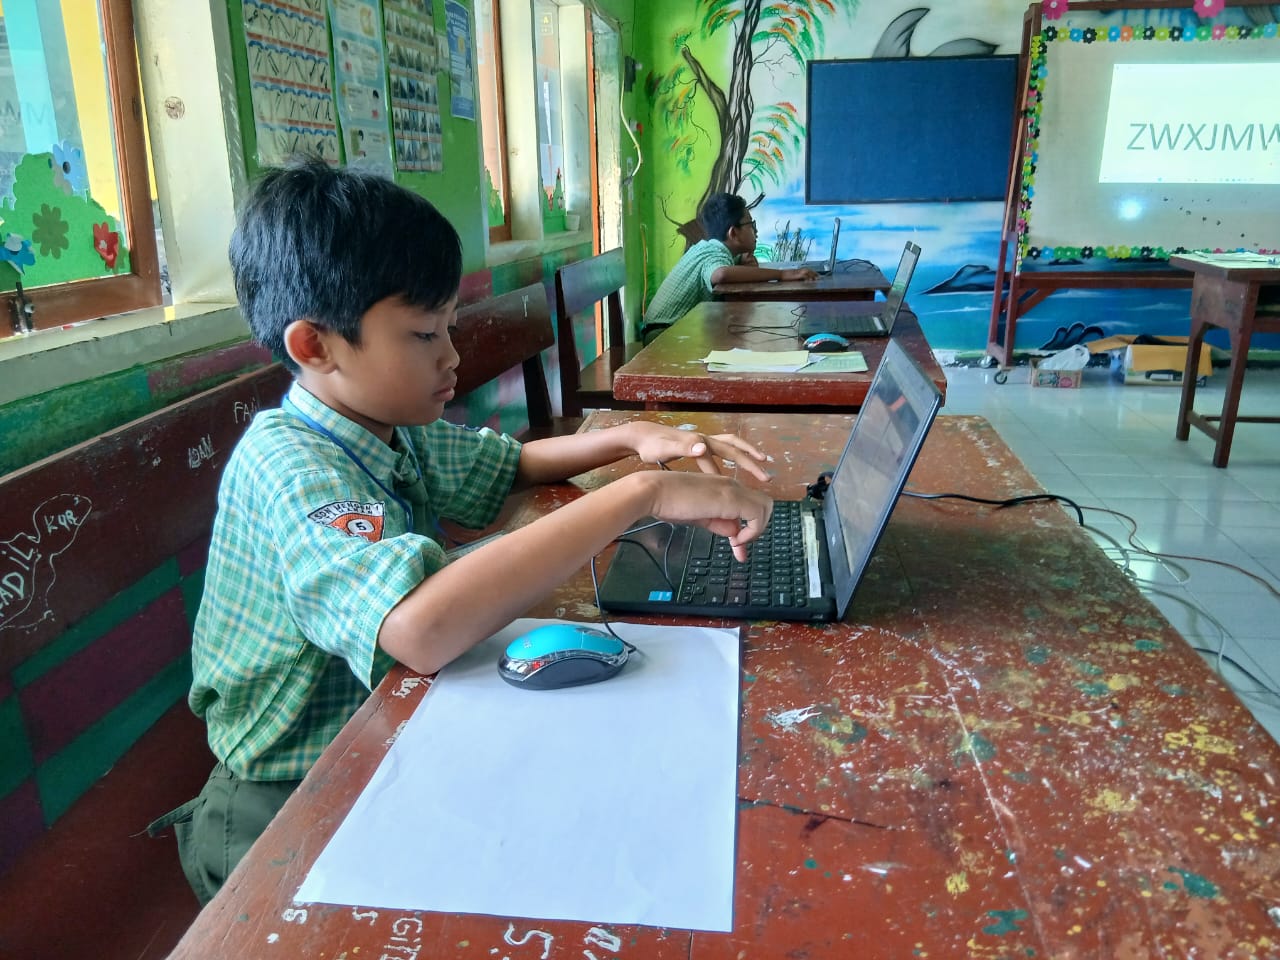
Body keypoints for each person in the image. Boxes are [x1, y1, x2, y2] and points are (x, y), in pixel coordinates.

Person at [149, 159, 775, 906]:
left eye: (449, 325)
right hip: (277, 805)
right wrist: (641, 495)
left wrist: (631, 438)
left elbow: (511, 463)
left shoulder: (382, 425)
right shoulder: (289, 466)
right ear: (315, 345)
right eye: (423, 334)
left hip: (380, 734)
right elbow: (419, 629)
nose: (451, 355)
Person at [641, 193, 818, 337]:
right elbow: (720, 274)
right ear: (733, 233)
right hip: (662, 334)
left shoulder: (710, 248)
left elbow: (723, 268)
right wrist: (782, 275)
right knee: (736, 338)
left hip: (668, 329)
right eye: (751, 225)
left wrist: (740, 261)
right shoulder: (713, 254)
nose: (756, 231)